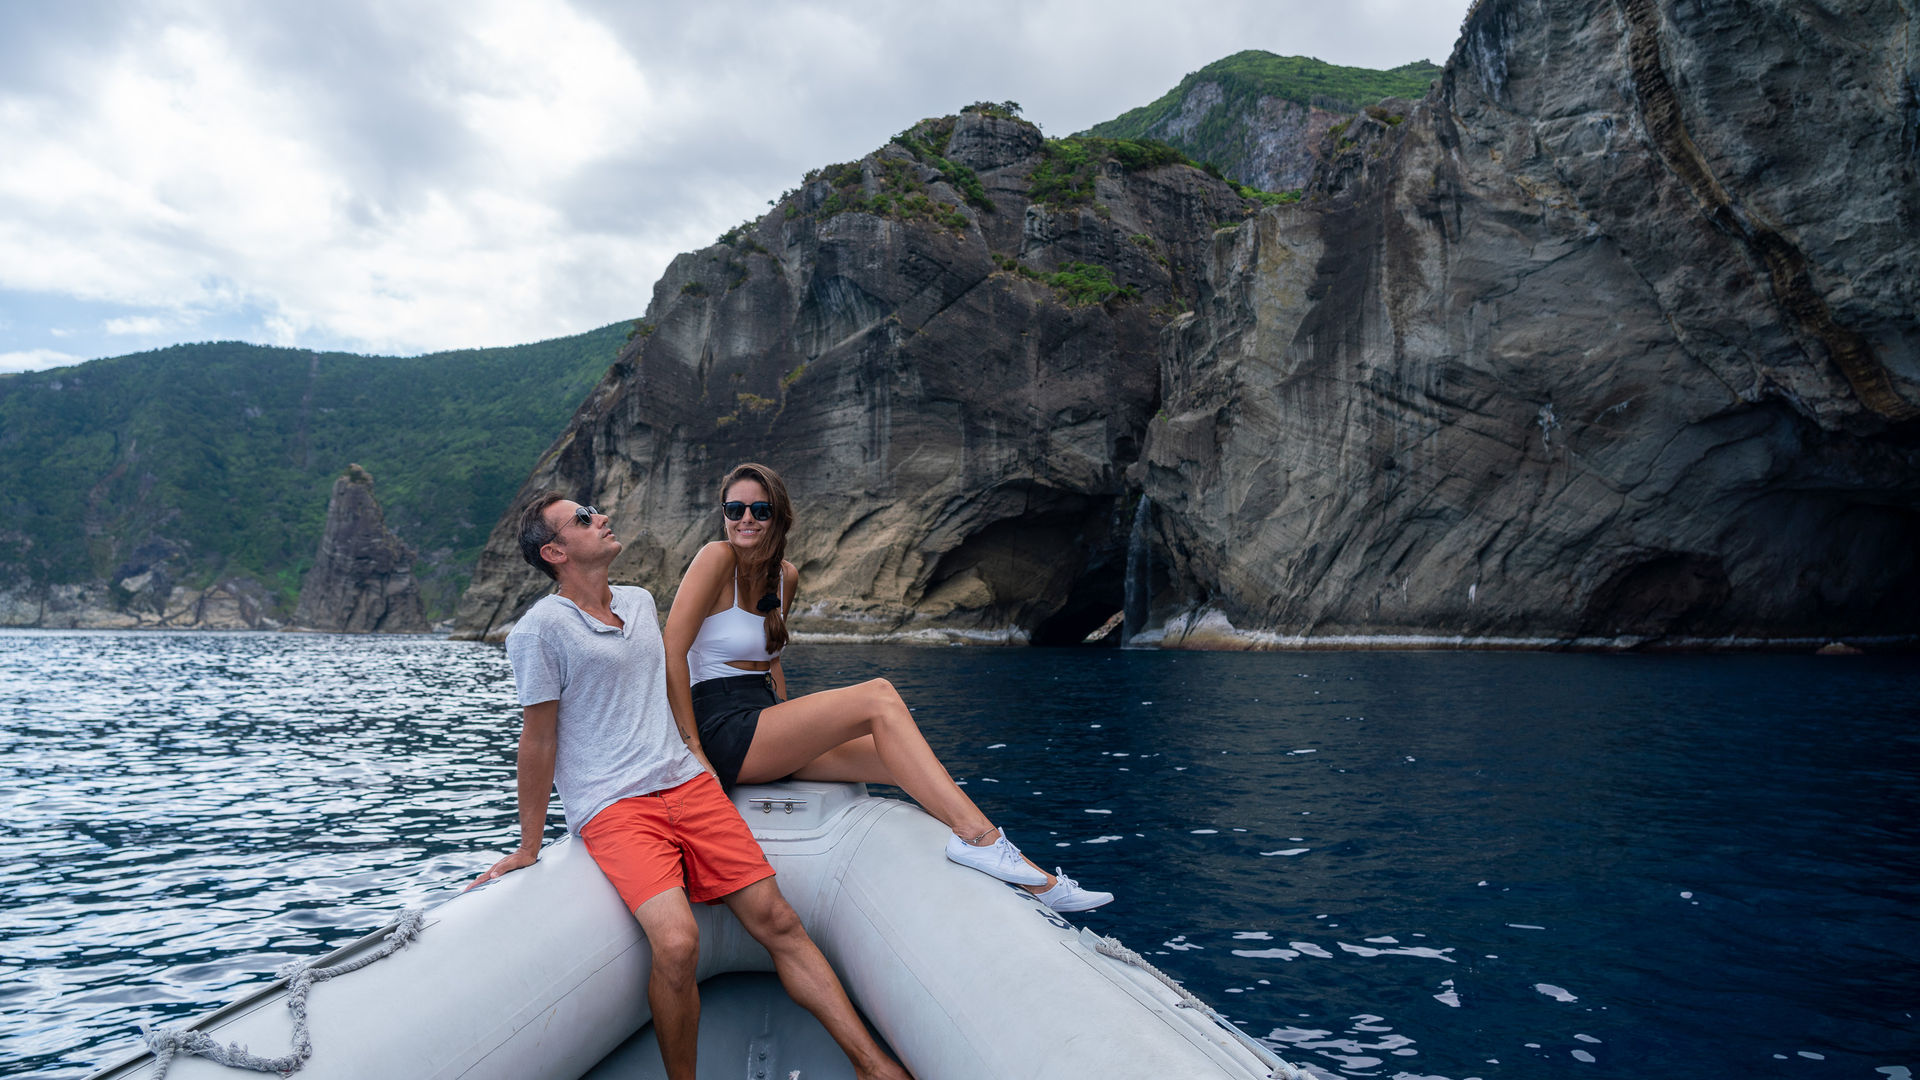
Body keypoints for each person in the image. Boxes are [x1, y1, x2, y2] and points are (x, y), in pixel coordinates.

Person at [472, 492, 911, 1080]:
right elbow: (539, 741)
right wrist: (529, 846)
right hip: (615, 807)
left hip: (687, 783)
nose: (600, 517)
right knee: (677, 943)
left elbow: (682, 677)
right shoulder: (540, 630)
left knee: (778, 921)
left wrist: (700, 750)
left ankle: (873, 1066)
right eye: (583, 518)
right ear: (555, 552)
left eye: (594, 509)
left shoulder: (639, 601)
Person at [663, 462, 1112, 913]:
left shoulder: (786, 576)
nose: (746, 519)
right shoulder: (715, 558)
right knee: (878, 696)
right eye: (735, 508)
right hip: (720, 725)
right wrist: (693, 748)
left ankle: (1031, 876)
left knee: (894, 756)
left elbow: (772, 662)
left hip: (760, 720)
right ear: (723, 513)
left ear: (777, 516)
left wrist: (792, 728)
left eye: (759, 510)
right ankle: (981, 841)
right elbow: (671, 651)